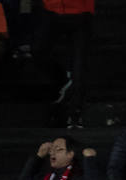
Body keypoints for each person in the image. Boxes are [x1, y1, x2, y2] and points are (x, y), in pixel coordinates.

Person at [31, 0, 94, 128]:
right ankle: (62, 81)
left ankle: (75, 114)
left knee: (79, 67)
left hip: (80, 13)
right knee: (37, 50)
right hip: (51, 10)